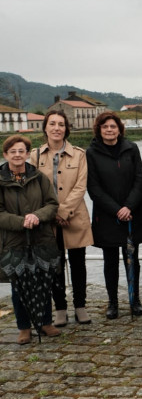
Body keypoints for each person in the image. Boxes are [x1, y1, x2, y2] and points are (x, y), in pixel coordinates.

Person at [30, 111, 94, 327]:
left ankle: (80, 306)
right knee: (53, 265)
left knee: (78, 264)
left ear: (67, 128)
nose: (57, 128)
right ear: (45, 128)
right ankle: (60, 308)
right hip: (48, 221)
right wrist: (53, 213)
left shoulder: (79, 154)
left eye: (61, 124)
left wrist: (64, 211)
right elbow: (33, 189)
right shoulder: (35, 156)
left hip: (74, 216)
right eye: (52, 124)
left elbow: (81, 185)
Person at [86, 112, 142, 319]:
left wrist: (129, 206)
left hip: (132, 214)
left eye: (113, 126)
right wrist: (116, 209)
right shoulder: (91, 152)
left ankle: (135, 300)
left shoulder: (131, 148)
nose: (109, 130)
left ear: (119, 129)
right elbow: (93, 187)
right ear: (99, 129)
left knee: (132, 259)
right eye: (105, 127)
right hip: (107, 216)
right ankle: (112, 302)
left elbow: (139, 180)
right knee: (110, 261)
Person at [0, 135, 61, 344]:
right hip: (14, 241)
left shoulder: (39, 177)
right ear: (5, 154)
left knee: (43, 281)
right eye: (13, 151)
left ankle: (45, 323)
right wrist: (20, 221)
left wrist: (38, 216)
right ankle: (24, 328)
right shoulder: (0, 180)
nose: (17, 155)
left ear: (28, 154)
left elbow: (52, 204)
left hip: (41, 238)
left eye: (21, 151)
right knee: (19, 286)